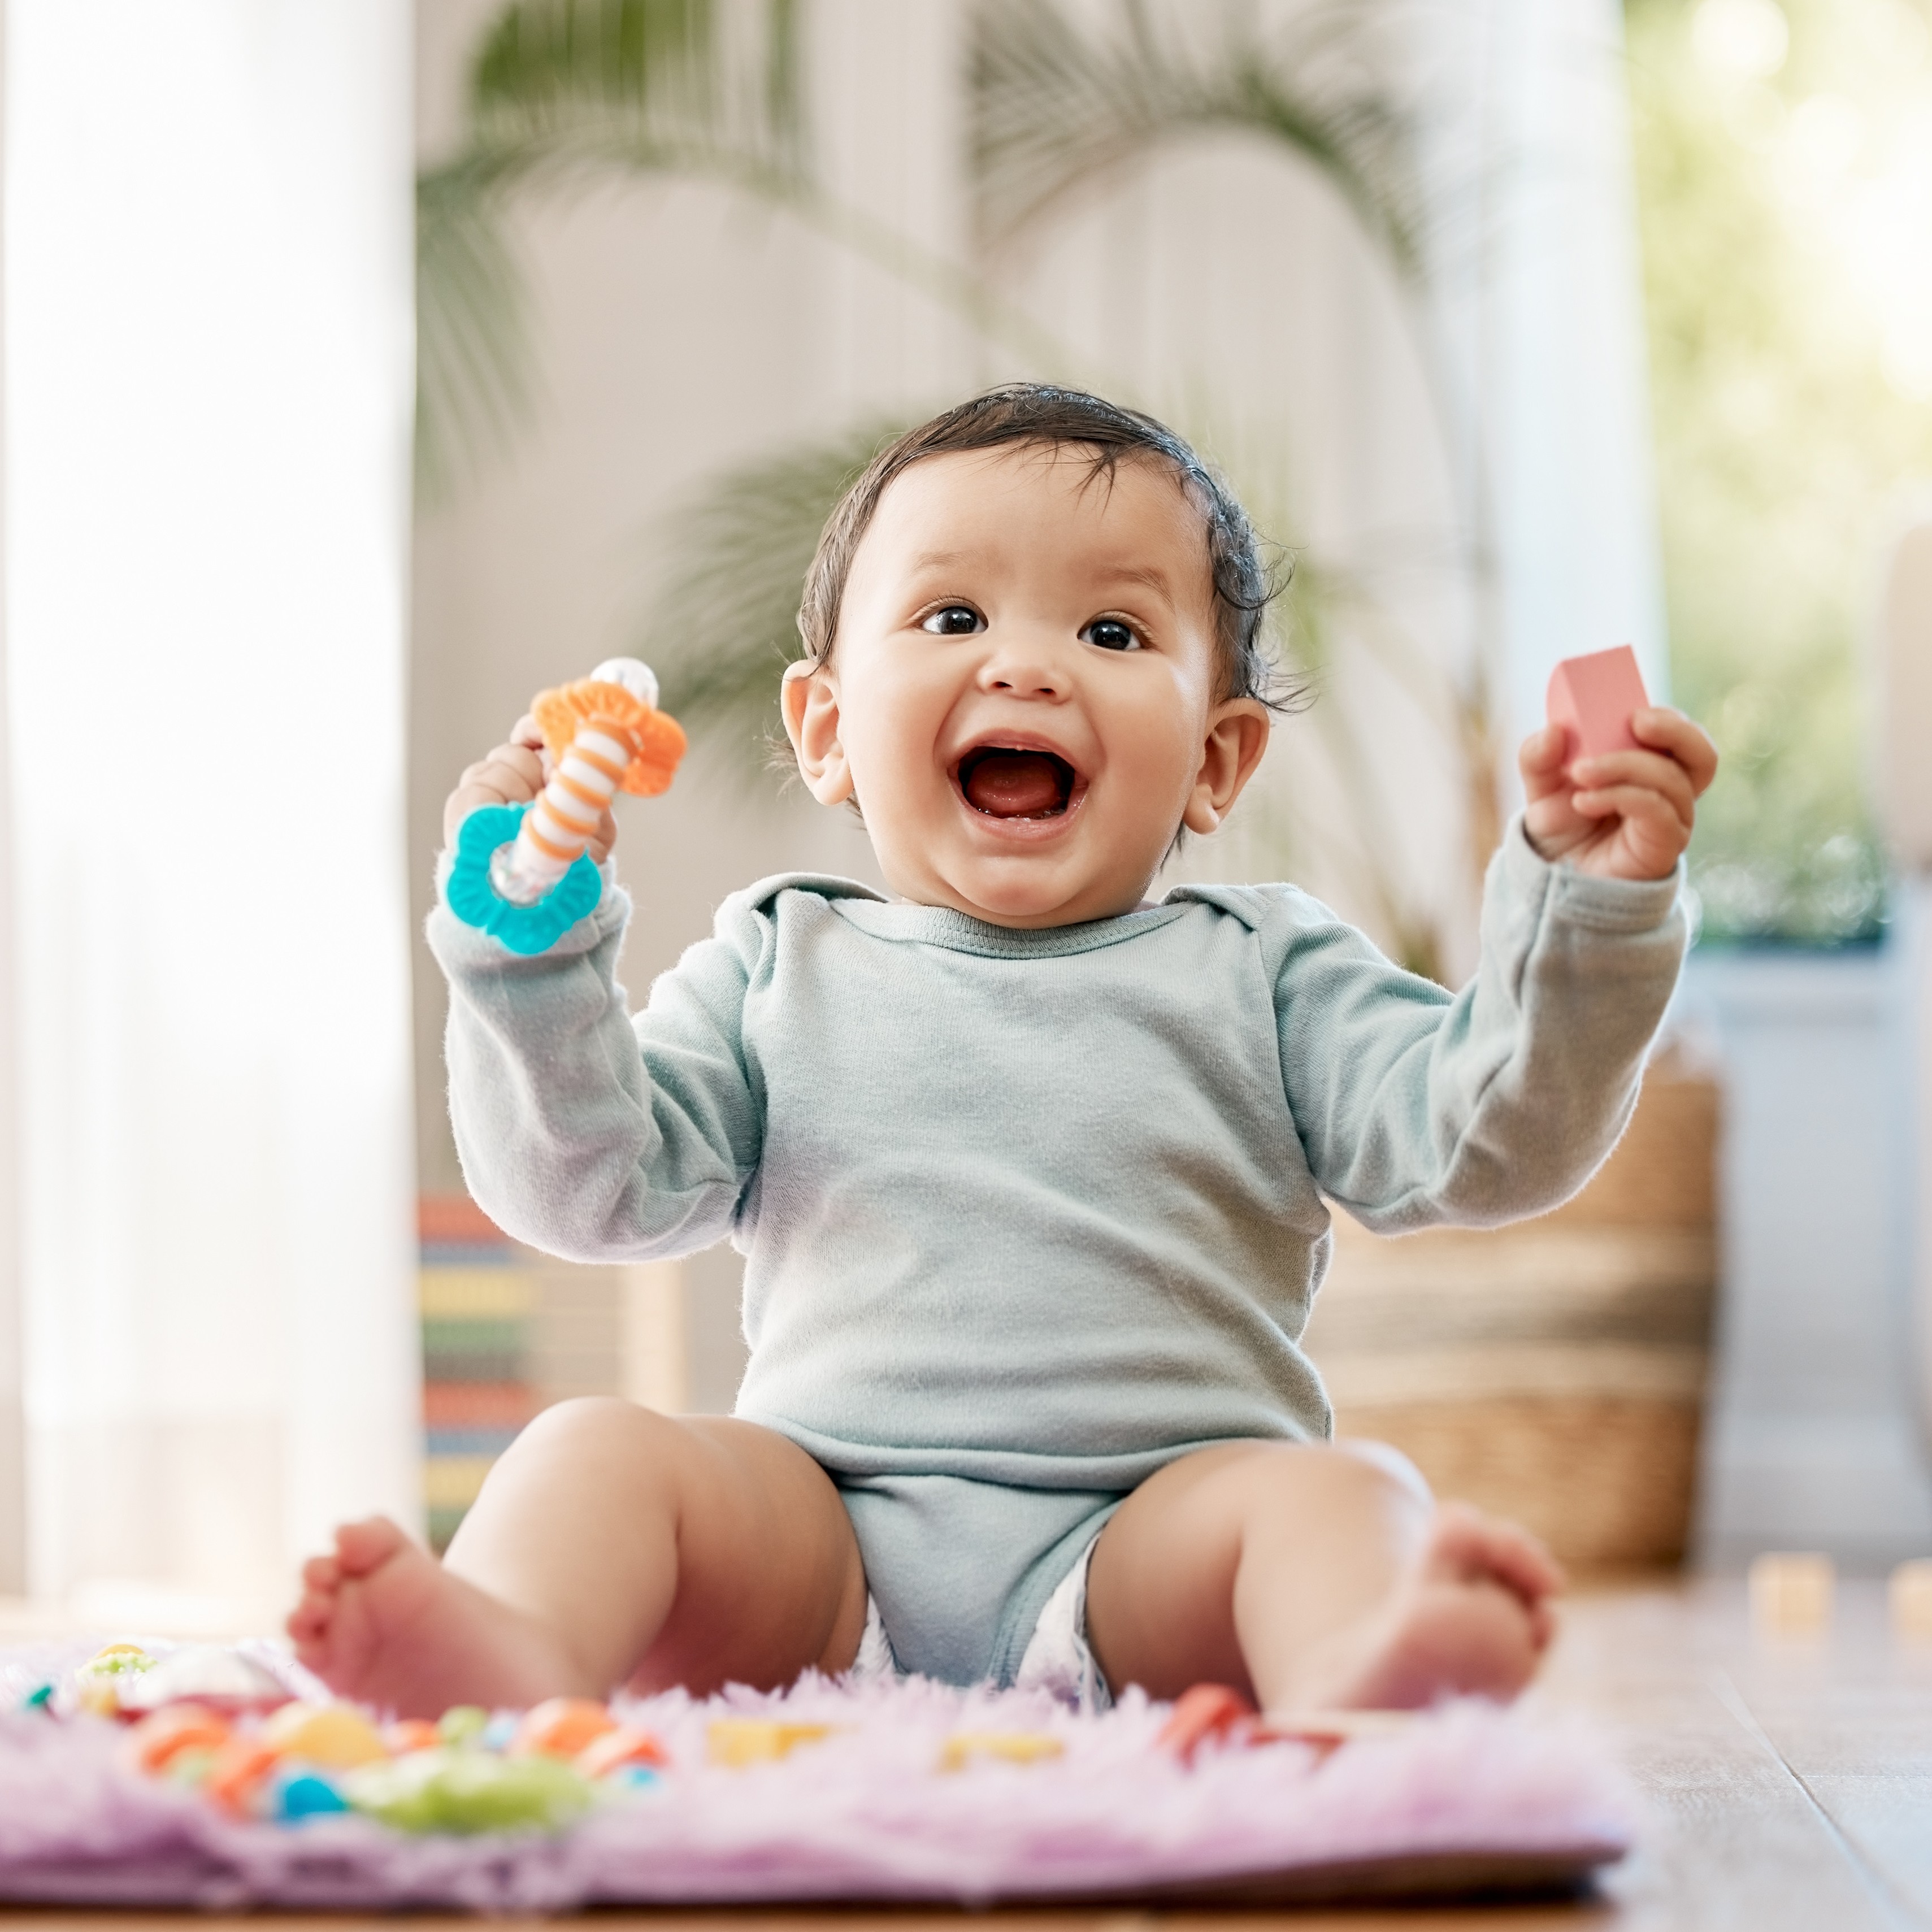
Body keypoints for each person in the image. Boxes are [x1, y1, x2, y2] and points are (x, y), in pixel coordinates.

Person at [289, 385, 1716, 1722]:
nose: (1026, 663)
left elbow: (1488, 1137)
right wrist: (533, 962)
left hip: (1149, 1538)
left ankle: (1356, 1677)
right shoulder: (778, 963)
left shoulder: (1267, 972)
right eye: (954, 614)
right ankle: (515, 1649)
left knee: (1344, 1499)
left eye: (1114, 633)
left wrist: (1588, 910)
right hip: (819, 1541)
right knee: (594, 1449)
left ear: (1216, 760)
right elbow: (589, 1189)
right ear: (828, 729)